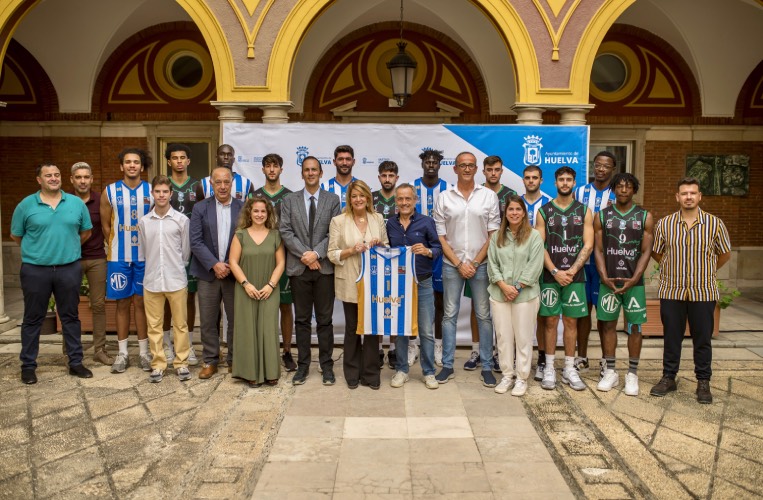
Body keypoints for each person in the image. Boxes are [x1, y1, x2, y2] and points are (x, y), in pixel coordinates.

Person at [650, 177, 731, 404]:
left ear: (699, 196)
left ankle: (703, 382)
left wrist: (707, 270)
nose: (688, 197)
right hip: (672, 290)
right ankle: (668, 377)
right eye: (684, 193)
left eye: (692, 193)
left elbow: (724, 254)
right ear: (677, 197)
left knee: (702, 339)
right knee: (671, 338)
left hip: (702, 291)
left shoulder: (715, 224)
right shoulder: (665, 224)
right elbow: (657, 252)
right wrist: (668, 266)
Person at [12, 163, 94, 384]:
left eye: (57, 175)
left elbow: (85, 232)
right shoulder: (26, 205)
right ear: (39, 179)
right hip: (35, 270)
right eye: (48, 175)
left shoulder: (76, 203)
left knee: (70, 317)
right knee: (32, 318)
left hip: (68, 268)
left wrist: (67, 248)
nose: (53, 178)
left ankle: (75, 362)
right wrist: (40, 251)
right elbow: (17, 236)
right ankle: (28, 366)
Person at [432, 151, 500, 387]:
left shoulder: (489, 196)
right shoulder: (444, 197)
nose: (467, 169)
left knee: (483, 315)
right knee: (449, 315)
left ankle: (487, 366)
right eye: (462, 165)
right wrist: (460, 263)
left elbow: (493, 235)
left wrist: (475, 263)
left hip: (481, 265)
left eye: (471, 165)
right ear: (455, 169)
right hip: (452, 265)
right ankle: (448, 365)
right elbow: (440, 237)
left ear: (477, 168)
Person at [280, 156, 341, 386]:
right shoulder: (289, 200)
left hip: (324, 269)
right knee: (303, 321)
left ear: (321, 173)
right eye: (307, 170)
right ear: (302, 173)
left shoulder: (332, 200)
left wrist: (315, 254)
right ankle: (303, 366)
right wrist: (306, 255)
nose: (311, 173)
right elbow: (285, 231)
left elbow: (334, 233)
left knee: (325, 321)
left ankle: (327, 366)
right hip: (299, 268)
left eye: (314, 169)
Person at [594, 173, 654, 396]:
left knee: (635, 327)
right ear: (613, 189)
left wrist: (636, 277)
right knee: (608, 325)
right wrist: (603, 275)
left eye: (628, 186)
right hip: (608, 281)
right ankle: (610, 371)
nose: (623, 190)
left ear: (634, 190)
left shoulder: (644, 216)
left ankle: (632, 373)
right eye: (619, 186)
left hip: (634, 282)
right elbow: (598, 250)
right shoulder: (602, 216)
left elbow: (646, 250)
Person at [535, 166, 593, 391]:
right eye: (561, 179)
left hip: (576, 276)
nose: (565, 183)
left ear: (574, 182)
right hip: (550, 276)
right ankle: (549, 366)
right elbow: (539, 245)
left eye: (569, 179)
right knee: (550, 321)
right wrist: (555, 272)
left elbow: (588, 244)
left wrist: (571, 270)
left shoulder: (584, 211)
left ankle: (569, 368)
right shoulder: (544, 211)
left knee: (571, 321)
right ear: (555, 182)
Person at [328, 180, 389, 389]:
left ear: (368, 198)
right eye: (354, 196)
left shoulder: (377, 218)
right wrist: (351, 250)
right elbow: (331, 254)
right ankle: (352, 373)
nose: (358, 199)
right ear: (349, 199)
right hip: (350, 282)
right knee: (353, 328)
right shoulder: (338, 221)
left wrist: (380, 244)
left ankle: (371, 374)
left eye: (362, 195)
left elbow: (387, 247)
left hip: (373, 282)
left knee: (372, 329)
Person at [463, 154, 517, 372]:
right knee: (478, 305)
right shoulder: (475, 193)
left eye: (497, 169)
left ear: (501, 171)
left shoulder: (510, 195)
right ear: (482, 171)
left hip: (504, 258)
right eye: (489, 169)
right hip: (479, 257)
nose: (493, 173)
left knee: (501, 306)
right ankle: (476, 350)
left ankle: (497, 352)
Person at [101, 148, 153, 373]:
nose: (132, 165)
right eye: (128, 162)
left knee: (141, 303)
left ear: (142, 166)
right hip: (119, 258)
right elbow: (105, 225)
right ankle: (122, 353)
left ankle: (143, 353)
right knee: (121, 303)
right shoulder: (110, 191)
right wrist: (115, 246)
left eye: (136, 162)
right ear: (121, 166)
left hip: (144, 257)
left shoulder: (151, 191)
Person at [190, 167, 245, 379]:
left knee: (235, 319)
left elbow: (247, 240)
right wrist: (214, 264)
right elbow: (195, 241)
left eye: (226, 182)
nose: (222, 186)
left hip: (234, 274)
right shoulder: (200, 208)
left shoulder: (242, 207)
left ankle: (234, 360)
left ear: (232, 184)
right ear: (211, 184)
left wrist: (231, 265)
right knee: (208, 319)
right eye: (218, 182)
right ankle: (211, 360)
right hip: (208, 273)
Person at [386, 183, 442, 389]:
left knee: (426, 330)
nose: (404, 202)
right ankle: (402, 370)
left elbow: (437, 248)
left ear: (415, 200)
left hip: (424, 282)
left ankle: (428, 372)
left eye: (408, 199)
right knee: (400, 329)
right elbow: (386, 250)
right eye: (400, 199)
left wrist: (427, 251)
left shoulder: (427, 222)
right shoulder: (390, 224)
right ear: (396, 201)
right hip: (399, 284)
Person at [487, 194, 544, 396]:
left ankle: (521, 378)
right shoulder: (496, 237)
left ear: (524, 212)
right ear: (505, 212)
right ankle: (507, 375)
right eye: (510, 209)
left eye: (518, 209)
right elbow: (492, 264)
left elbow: (535, 265)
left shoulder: (534, 236)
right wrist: (503, 286)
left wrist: (517, 287)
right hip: (499, 294)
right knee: (503, 337)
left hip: (525, 296)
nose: (514, 213)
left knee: (523, 337)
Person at [138, 175, 192, 383]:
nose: (161, 195)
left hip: (176, 279)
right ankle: (158, 364)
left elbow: (185, 252)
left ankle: (181, 363)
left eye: (165, 192)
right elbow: (144, 250)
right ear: (152, 193)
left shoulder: (181, 220)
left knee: (180, 324)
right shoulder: (144, 222)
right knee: (154, 326)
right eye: (157, 191)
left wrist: (176, 267)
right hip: (152, 280)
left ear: (171, 194)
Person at [229, 197, 286, 387]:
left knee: (268, 329)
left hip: (269, 288)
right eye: (256, 211)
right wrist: (246, 284)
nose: (260, 215)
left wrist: (270, 285)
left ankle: (270, 372)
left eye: (263, 211)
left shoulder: (275, 235)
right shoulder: (240, 235)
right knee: (247, 329)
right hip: (247, 288)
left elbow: (281, 263)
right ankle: (249, 372)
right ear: (249, 213)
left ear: (268, 214)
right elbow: (233, 263)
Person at [253, 153, 296, 372]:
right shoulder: (255, 195)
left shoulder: (289, 196)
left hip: (285, 258)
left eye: (275, 166)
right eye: (268, 166)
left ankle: (287, 351)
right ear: (262, 170)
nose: (271, 170)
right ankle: (264, 348)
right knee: (261, 305)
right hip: (260, 258)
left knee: (285, 305)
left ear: (281, 169)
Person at [574, 151, 616, 372]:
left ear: (612, 169)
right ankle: (581, 357)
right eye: (597, 165)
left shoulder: (617, 193)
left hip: (606, 264)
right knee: (582, 312)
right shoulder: (580, 191)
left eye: (606, 166)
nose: (601, 169)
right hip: (582, 262)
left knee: (604, 314)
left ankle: (605, 359)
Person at [163, 143, 203, 366]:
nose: (179, 161)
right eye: (174, 158)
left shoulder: (197, 186)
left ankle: (187, 345)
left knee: (188, 297)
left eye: (182, 158)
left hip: (191, 249)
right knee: (167, 297)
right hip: (167, 249)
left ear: (188, 161)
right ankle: (167, 344)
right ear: (169, 161)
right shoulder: (163, 185)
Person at [70, 161, 112, 365]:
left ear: (92, 179)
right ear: (72, 180)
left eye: (86, 177)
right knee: (68, 305)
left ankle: (100, 349)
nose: (83, 181)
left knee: (98, 305)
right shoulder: (64, 201)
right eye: (78, 177)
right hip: (70, 260)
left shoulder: (100, 199)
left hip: (96, 258)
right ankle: (70, 350)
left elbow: (107, 226)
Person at [413, 149, 449, 367]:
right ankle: (412, 344)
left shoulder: (448, 189)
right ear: (422, 164)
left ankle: (438, 344)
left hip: (439, 251)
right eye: (428, 162)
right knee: (413, 300)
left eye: (435, 162)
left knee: (439, 301)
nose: (431, 165)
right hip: (416, 252)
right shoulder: (412, 186)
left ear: (440, 165)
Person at [520, 165, 553, 381]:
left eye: (535, 178)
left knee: (543, 315)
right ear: (523, 180)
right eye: (527, 177)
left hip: (543, 264)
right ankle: (516, 359)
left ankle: (542, 359)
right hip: (518, 266)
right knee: (518, 315)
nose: (531, 181)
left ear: (541, 180)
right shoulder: (515, 203)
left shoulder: (550, 204)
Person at [372, 160, 402, 369]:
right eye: (384, 175)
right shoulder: (371, 198)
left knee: (394, 303)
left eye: (391, 175)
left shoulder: (402, 199)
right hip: (374, 257)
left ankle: (392, 350)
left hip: (398, 257)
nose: (388, 179)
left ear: (396, 178)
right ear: (379, 177)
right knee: (375, 303)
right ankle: (375, 349)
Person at [321, 145, 357, 209]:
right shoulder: (324, 187)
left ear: (353, 162)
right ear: (334, 162)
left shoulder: (361, 186)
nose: (344, 163)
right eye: (340, 159)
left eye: (348, 159)